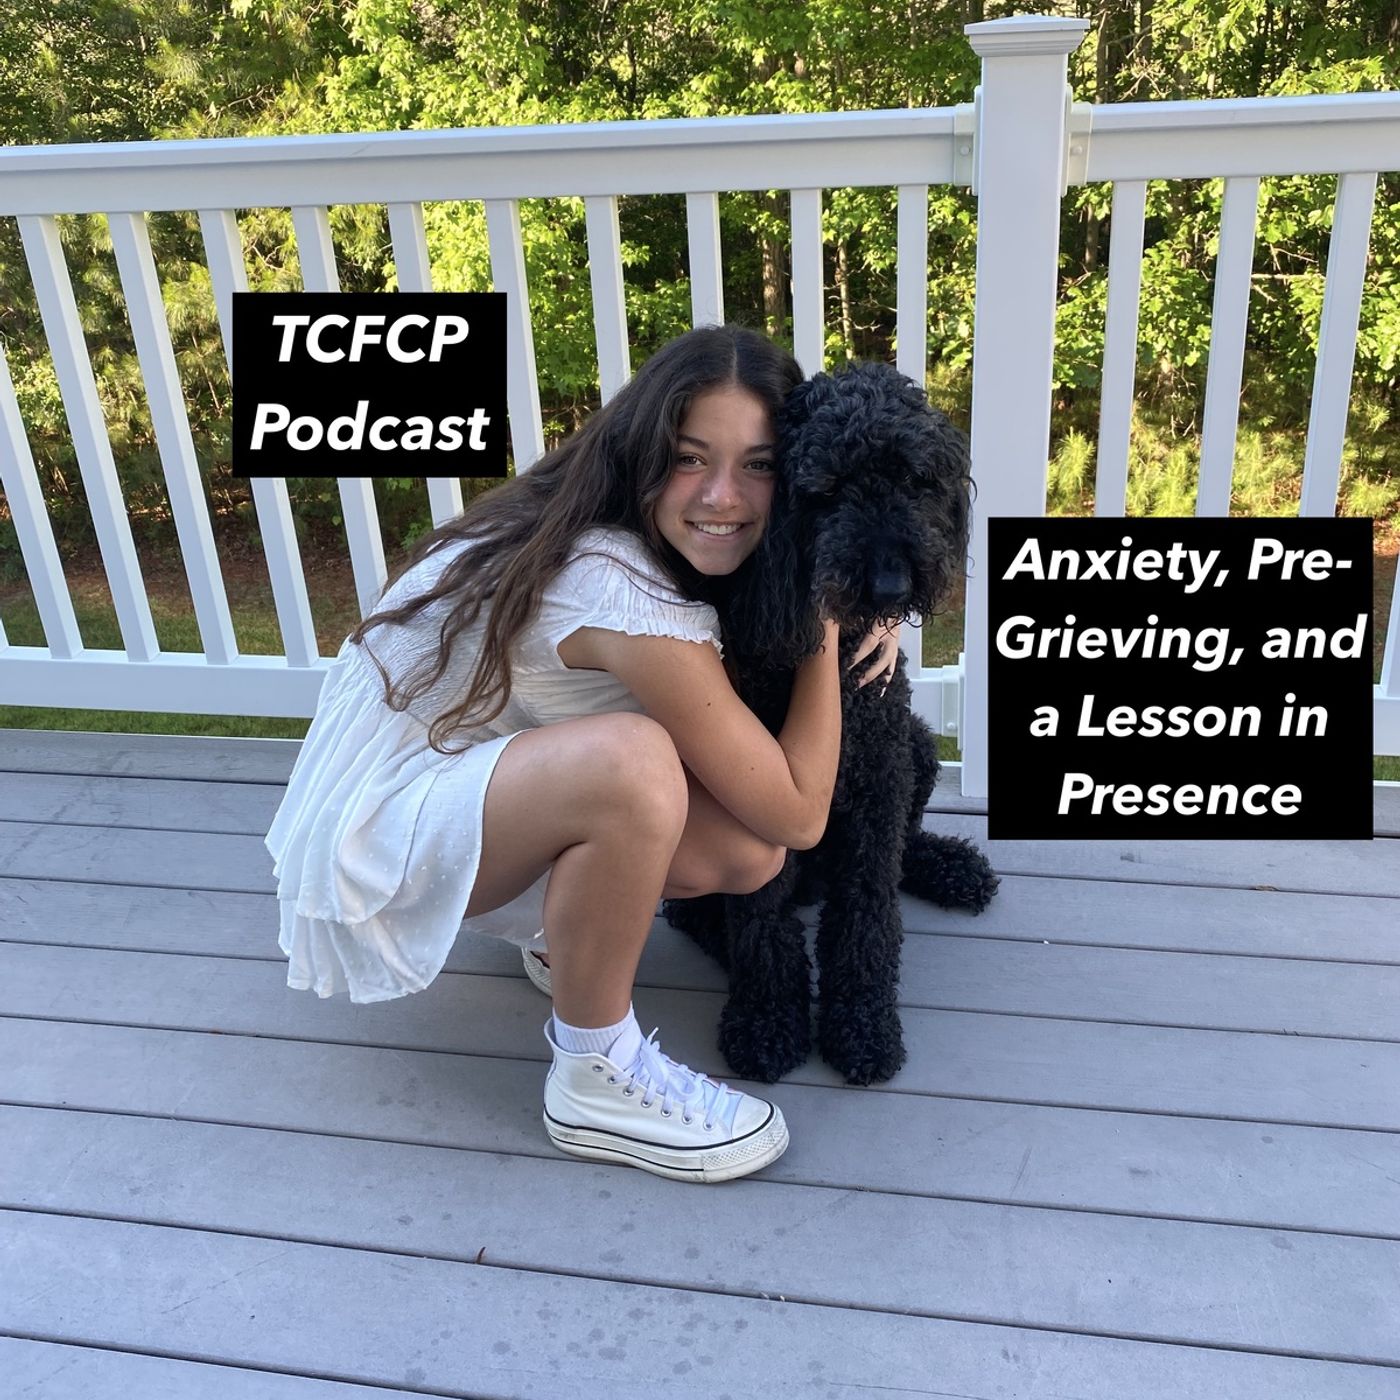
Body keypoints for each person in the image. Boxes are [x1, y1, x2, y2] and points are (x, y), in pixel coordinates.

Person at [264, 325, 900, 1184]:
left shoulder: (610, 514)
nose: (724, 495)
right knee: (636, 764)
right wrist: (828, 617)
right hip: (378, 834)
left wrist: (871, 587)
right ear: (645, 449)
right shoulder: (615, 580)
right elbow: (801, 812)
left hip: (475, 777)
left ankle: (566, 937)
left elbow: (766, 834)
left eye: (758, 464)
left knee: (746, 852)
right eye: (690, 457)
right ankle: (596, 1072)